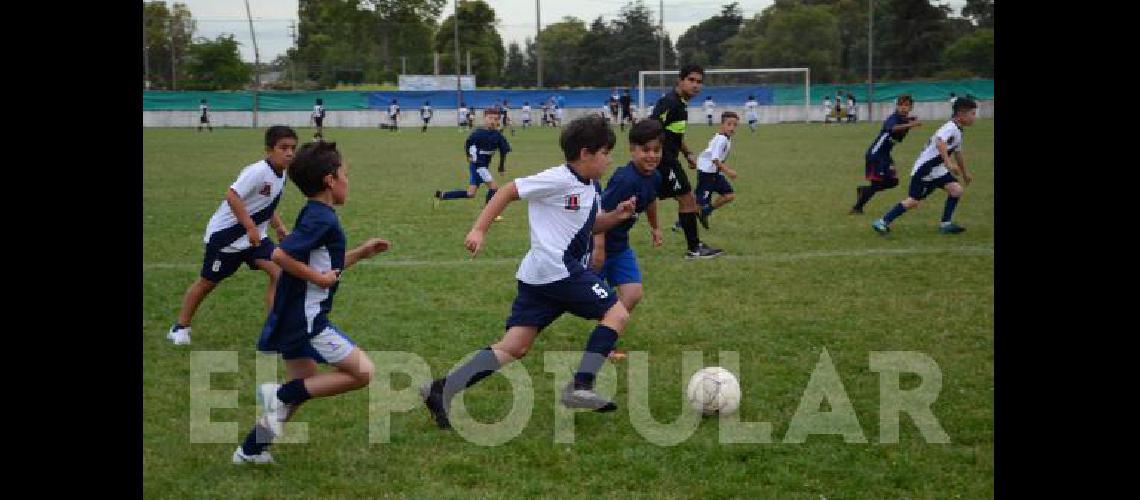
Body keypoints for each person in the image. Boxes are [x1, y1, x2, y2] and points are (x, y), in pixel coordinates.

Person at [420, 114, 639, 430]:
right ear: (585, 153)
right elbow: (508, 190)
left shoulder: (590, 185)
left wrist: (617, 216)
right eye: (605, 152)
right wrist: (479, 230)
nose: (608, 159)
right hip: (558, 269)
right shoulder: (558, 178)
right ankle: (581, 384)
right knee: (616, 314)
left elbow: (588, 226)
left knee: (514, 346)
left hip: (541, 275)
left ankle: (442, 389)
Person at [232, 140, 392, 464]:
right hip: (308, 321)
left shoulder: (315, 213)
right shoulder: (322, 219)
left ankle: (250, 449)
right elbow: (280, 254)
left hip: (293, 315)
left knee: (304, 384)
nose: (349, 179)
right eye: (345, 173)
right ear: (330, 180)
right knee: (363, 373)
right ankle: (278, 393)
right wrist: (317, 280)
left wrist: (360, 253)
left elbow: (322, 264)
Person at [165, 126, 298, 345]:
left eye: (293, 148)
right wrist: (250, 227)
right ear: (269, 150)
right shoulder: (257, 171)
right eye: (283, 148)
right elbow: (232, 195)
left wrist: (279, 227)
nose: (289, 153)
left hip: (255, 240)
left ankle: (275, 328)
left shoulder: (283, 174)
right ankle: (180, 327)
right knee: (207, 282)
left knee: (280, 273)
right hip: (226, 238)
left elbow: (265, 204)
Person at [590, 120, 665, 361]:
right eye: (645, 150)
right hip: (596, 246)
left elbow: (651, 200)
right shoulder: (624, 179)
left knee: (632, 293)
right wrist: (599, 249)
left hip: (620, 247)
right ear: (632, 150)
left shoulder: (655, 177)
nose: (651, 156)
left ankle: (604, 343)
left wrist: (655, 227)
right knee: (579, 301)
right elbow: (599, 212)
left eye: (656, 150)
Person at [649, 64, 724, 259]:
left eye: (699, 82)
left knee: (642, 198)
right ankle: (695, 248)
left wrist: (688, 154)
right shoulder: (670, 102)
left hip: (668, 159)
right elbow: (651, 127)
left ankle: (695, 247)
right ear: (680, 80)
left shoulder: (680, 104)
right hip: (663, 161)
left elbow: (675, 134)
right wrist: (654, 157)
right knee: (688, 200)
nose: (695, 85)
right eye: (691, 80)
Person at [872, 98, 977, 235]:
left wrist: (965, 173)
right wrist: (948, 163)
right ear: (961, 114)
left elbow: (958, 153)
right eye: (972, 114)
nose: (974, 117)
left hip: (936, 169)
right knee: (913, 201)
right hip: (925, 169)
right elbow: (940, 142)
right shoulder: (950, 127)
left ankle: (945, 224)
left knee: (956, 190)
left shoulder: (958, 130)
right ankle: (882, 222)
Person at [850, 94, 923, 214]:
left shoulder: (904, 119)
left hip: (885, 155)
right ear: (897, 106)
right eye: (901, 105)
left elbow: (903, 124)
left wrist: (910, 121)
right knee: (877, 183)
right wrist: (911, 124)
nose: (903, 108)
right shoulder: (893, 118)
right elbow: (892, 128)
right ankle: (857, 207)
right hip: (876, 154)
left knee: (893, 181)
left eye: (907, 105)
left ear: (910, 108)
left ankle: (863, 192)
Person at [434, 107, 512, 207]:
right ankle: (487, 211)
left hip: (482, 166)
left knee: (471, 193)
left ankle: (441, 195)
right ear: (485, 118)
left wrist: (501, 167)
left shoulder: (498, 136)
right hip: (478, 165)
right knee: (494, 187)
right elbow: (468, 143)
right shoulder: (478, 133)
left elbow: (503, 151)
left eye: (496, 119)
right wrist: (469, 155)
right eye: (490, 118)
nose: (493, 121)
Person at [690, 111, 740, 228]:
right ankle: (681, 223)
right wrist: (728, 171)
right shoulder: (721, 139)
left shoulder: (726, 138)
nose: (732, 128)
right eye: (729, 124)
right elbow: (715, 159)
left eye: (735, 125)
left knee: (729, 195)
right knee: (699, 203)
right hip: (707, 174)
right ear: (722, 125)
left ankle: (707, 211)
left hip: (715, 173)